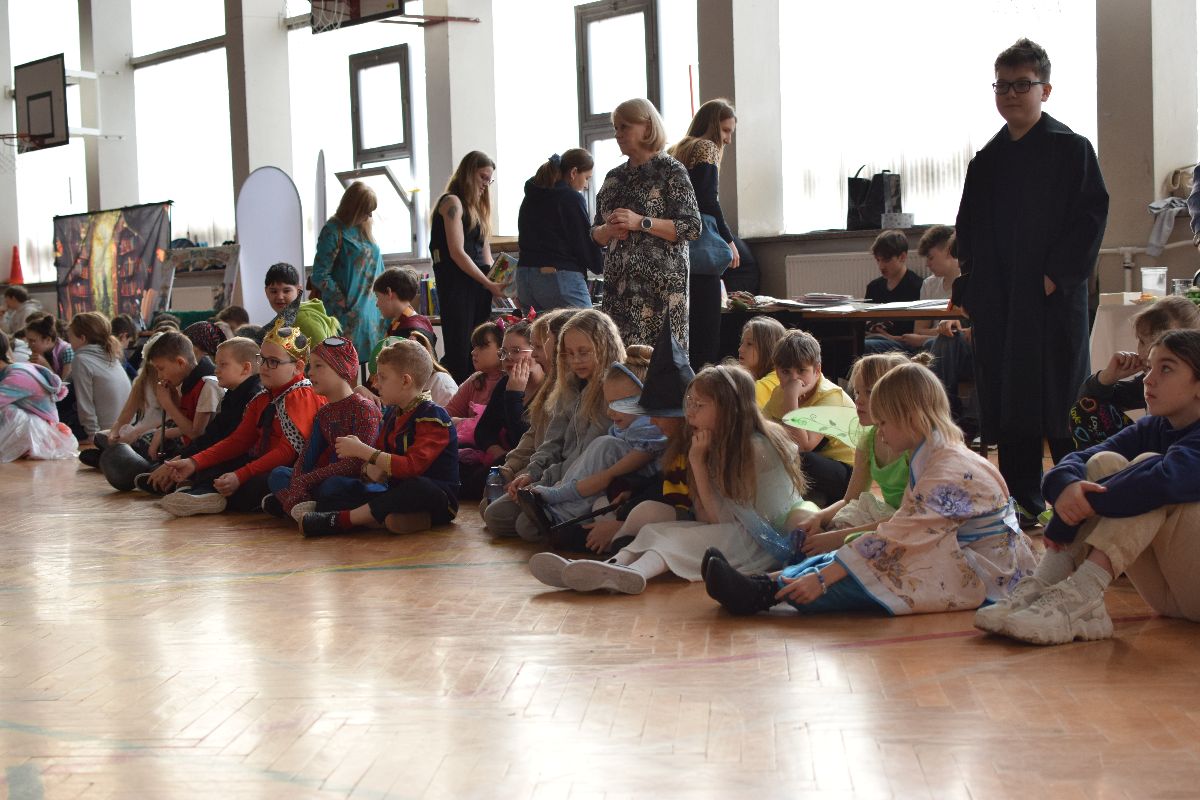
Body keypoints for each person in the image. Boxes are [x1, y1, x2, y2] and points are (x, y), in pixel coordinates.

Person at [704, 362, 1037, 617]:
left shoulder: (945, 470)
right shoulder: (936, 453)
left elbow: (893, 537)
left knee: (866, 578)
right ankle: (764, 584)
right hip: (959, 549)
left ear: (910, 418)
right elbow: (897, 532)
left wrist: (823, 579)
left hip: (986, 571)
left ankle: (765, 594)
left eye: (884, 422)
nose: (881, 432)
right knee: (854, 557)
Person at [953, 37, 1109, 522]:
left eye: (1022, 85)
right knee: (1009, 402)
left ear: (1046, 90)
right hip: (999, 301)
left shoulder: (1072, 150)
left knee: (1062, 399)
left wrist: (1055, 277)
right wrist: (973, 287)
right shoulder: (986, 161)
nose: (1011, 94)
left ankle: (1078, 499)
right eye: (1002, 85)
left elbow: (1090, 219)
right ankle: (1022, 501)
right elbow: (966, 230)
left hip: (1050, 301)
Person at [977, 330, 1200, 643]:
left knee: (1149, 469)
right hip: (1169, 596)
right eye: (1149, 367)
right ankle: (1041, 588)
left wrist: (1078, 510)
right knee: (1103, 463)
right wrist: (1067, 487)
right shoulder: (1154, 426)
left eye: (1166, 368)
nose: (1148, 379)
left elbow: (1165, 480)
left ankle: (1082, 595)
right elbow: (1077, 460)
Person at [529, 364, 814, 594]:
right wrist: (698, 461)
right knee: (654, 531)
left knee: (673, 539)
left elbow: (718, 520)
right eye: (689, 403)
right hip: (734, 530)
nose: (689, 413)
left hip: (762, 543)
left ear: (728, 408)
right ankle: (606, 569)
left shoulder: (754, 447)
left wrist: (697, 463)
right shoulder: (713, 442)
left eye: (699, 405)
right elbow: (708, 516)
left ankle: (630, 573)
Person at [158, 312, 325, 516]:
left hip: (292, 469)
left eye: (273, 362)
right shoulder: (263, 398)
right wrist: (194, 462)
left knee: (264, 480)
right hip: (265, 464)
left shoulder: (301, 395)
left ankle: (212, 495)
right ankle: (206, 494)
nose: (263, 367)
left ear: (297, 367)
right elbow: (238, 440)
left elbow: (287, 453)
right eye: (262, 359)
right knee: (219, 469)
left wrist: (241, 475)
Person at [300, 339, 460, 537]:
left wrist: (362, 450)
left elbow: (412, 467)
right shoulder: (393, 414)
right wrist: (370, 470)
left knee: (417, 485)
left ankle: (340, 521)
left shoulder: (433, 416)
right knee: (332, 493)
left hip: (435, 498)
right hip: (395, 494)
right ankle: (395, 519)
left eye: (382, 377)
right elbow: (380, 461)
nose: (375, 384)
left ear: (405, 381)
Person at [504, 309, 625, 541]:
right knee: (496, 514)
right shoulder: (568, 386)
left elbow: (586, 460)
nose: (576, 360)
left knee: (524, 526)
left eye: (583, 352)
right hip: (559, 479)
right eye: (570, 354)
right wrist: (531, 473)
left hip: (583, 485)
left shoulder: (610, 391)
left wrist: (546, 485)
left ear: (604, 346)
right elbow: (552, 442)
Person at [515, 348, 663, 536]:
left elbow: (607, 475)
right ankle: (560, 510)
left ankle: (562, 516)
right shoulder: (625, 426)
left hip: (644, 493)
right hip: (619, 491)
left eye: (619, 404)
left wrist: (556, 494)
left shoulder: (650, 429)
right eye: (609, 403)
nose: (609, 412)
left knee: (606, 446)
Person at [591, 98, 701, 348]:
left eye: (625, 127)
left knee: (663, 363)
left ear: (648, 126)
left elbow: (692, 227)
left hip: (660, 294)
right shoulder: (613, 178)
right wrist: (607, 230)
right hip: (619, 293)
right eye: (616, 128)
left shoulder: (671, 171)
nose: (617, 134)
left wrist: (642, 222)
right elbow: (594, 234)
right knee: (619, 361)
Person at [789, 352, 914, 549]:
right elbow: (850, 499)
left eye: (869, 392)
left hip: (907, 525)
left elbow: (907, 519)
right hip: (887, 516)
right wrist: (818, 518)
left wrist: (836, 538)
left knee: (841, 542)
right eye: (857, 392)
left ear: (894, 394)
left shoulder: (912, 445)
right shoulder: (869, 438)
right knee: (802, 519)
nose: (859, 401)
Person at [265, 337, 382, 522]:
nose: (310, 372)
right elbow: (306, 458)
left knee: (332, 486)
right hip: (326, 479)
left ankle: (295, 505)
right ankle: (304, 507)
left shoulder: (364, 408)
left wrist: (305, 481)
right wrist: (299, 479)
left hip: (358, 480)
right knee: (278, 474)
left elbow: (355, 464)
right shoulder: (324, 413)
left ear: (341, 368)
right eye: (310, 366)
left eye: (318, 366)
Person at [481, 307, 578, 532]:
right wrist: (509, 466)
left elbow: (556, 449)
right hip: (536, 465)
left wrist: (514, 397)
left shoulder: (562, 389)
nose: (535, 354)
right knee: (490, 507)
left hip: (556, 473)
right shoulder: (516, 384)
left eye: (538, 347)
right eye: (504, 352)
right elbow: (529, 436)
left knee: (513, 521)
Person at [133, 337, 263, 496]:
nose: (216, 370)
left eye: (223, 365)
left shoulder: (253, 395)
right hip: (221, 451)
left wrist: (187, 461)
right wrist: (180, 459)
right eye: (216, 364)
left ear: (245, 368)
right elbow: (211, 435)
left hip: (246, 461)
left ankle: (189, 486)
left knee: (212, 468)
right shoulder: (233, 394)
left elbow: (224, 441)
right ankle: (180, 480)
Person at [1070, 295, 1200, 449]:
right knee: (1084, 411)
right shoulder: (1147, 380)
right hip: (1156, 448)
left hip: (1185, 452)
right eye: (1142, 342)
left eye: (1166, 367)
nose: (1146, 353)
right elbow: (1088, 402)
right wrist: (1108, 377)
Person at [668, 98, 739, 371]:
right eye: (725, 130)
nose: (728, 139)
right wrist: (729, 240)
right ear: (711, 126)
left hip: (676, 247)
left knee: (684, 333)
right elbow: (708, 201)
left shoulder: (677, 150)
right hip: (701, 248)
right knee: (706, 338)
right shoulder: (706, 148)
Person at [430, 151, 504, 382]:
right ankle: (459, 393)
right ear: (468, 174)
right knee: (461, 347)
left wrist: (498, 283)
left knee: (480, 344)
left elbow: (486, 254)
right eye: (483, 177)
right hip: (458, 285)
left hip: (479, 286)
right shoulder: (452, 202)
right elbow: (457, 252)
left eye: (489, 180)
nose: (486, 184)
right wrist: (488, 283)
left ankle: (478, 392)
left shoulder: (478, 210)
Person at [763, 329, 857, 506]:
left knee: (799, 456)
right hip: (815, 469)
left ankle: (815, 500)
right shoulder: (779, 392)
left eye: (801, 371)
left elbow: (803, 445)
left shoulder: (831, 396)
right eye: (786, 371)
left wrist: (791, 397)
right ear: (776, 371)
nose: (794, 379)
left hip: (847, 474)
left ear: (817, 370)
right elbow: (762, 426)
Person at [516, 149, 602, 311]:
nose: (586, 185)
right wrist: (600, 264)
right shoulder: (570, 198)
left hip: (524, 280)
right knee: (589, 326)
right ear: (574, 172)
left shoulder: (530, 197)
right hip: (558, 278)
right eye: (586, 178)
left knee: (539, 328)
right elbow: (582, 241)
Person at [312, 182, 387, 361]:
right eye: (366, 211)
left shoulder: (364, 228)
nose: (370, 215)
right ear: (354, 208)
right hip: (347, 315)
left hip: (373, 313)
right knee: (346, 366)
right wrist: (344, 302)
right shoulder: (333, 231)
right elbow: (320, 275)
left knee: (376, 365)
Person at [0, 330, 76, 462]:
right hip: (39, 431)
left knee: (8, 411)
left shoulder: (18, 375)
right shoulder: (9, 371)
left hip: (45, 437)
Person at [65, 312, 132, 440]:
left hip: (104, 433)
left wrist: (93, 437)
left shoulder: (82, 359)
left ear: (82, 338)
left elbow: (85, 404)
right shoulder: (111, 354)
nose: (69, 342)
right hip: (124, 430)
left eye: (70, 338)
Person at [862, 230, 924, 354]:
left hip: (901, 345)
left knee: (864, 346)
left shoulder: (917, 286)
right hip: (873, 339)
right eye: (878, 260)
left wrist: (888, 337)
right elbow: (865, 323)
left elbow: (914, 335)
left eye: (886, 260)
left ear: (902, 257)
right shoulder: (873, 287)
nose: (881, 266)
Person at [373, 266, 437, 348]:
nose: (377, 304)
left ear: (389, 293)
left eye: (377, 297)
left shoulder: (405, 331)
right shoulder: (424, 322)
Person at [736, 316, 786, 408]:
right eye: (741, 343)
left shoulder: (765, 386)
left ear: (769, 348)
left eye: (749, 344)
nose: (740, 349)